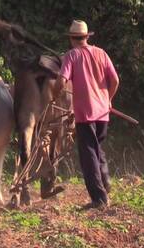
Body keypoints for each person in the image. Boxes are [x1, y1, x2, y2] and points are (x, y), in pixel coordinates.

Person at [54, 20, 119, 209]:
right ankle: (105, 182)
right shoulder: (101, 53)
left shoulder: (72, 55)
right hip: (103, 114)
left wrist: (54, 95)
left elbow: (61, 80)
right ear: (86, 37)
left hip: (86, 113)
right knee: (97, 147)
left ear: (72, 39)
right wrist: (108, 99)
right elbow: (115, 80)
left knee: (88, 154)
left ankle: (99, 198)